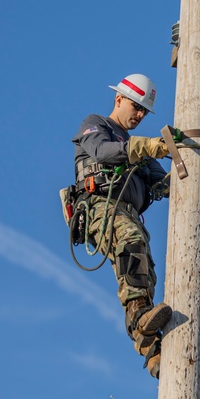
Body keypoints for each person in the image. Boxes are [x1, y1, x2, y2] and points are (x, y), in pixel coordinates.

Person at [71, 74, 173, 378]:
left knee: (144, 270)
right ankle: (141, 320)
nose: (139, 115)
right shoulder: (96, 124)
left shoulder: (134, 146)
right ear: (119, 99)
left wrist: (189, 151)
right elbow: (103, 152)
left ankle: (149, 345)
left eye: (145, 111)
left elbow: (163, 181)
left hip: (126, 213)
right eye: (136, 107)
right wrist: (149, 147)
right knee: (131, 243)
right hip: (100, 206)